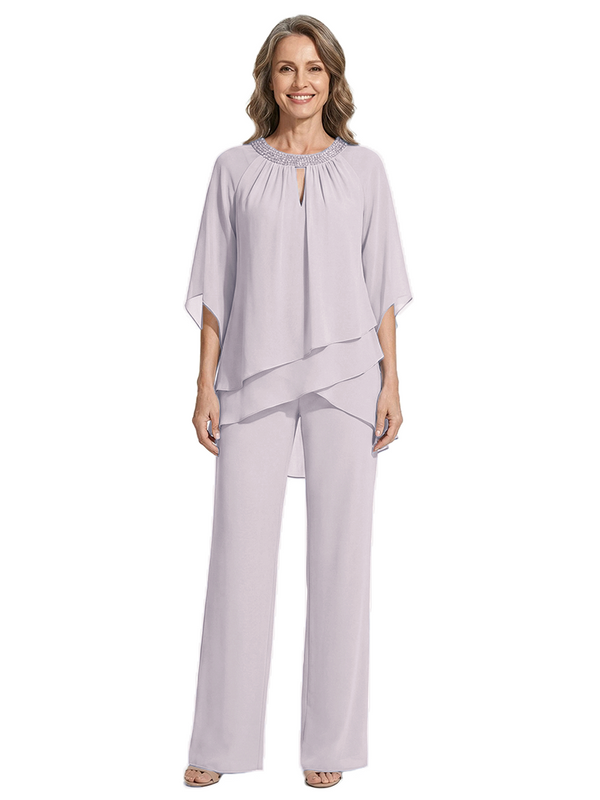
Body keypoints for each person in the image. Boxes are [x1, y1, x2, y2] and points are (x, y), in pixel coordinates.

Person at [183, 14, 413, 790]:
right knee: (237, 561)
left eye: (314, 68)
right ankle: (220, 741)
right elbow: (217, 286)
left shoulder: (367, 170)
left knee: (343, 563)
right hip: (251, 376)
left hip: (349, 379)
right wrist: (204, 383)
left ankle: (330, 745)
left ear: (333, 79)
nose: (301, 81)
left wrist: (392, 380)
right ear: (268, 80)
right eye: (287, 68)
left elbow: (381, 285)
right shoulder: (233, 170)